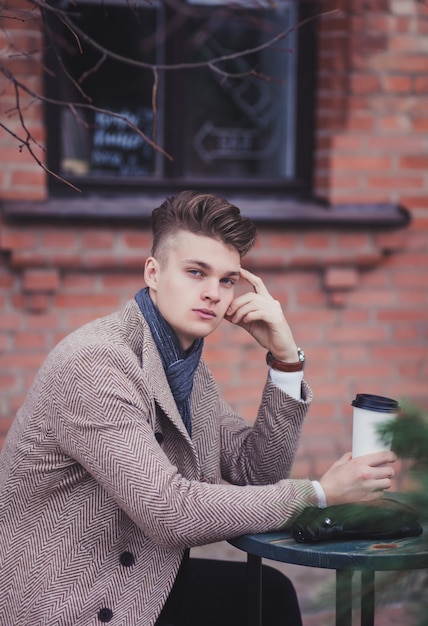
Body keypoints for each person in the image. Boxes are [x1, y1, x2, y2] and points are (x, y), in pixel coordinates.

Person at [0, 191, 396, 626]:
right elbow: (168, 511)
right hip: (68, 598)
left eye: (228, 280)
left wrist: (285, 362)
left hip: (138, 579)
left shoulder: (186, 369)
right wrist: (320, 494)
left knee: (268, 596)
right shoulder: (95, 363)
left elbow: (254, 473)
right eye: (196, 273)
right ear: (153, 272)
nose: (213, 293)